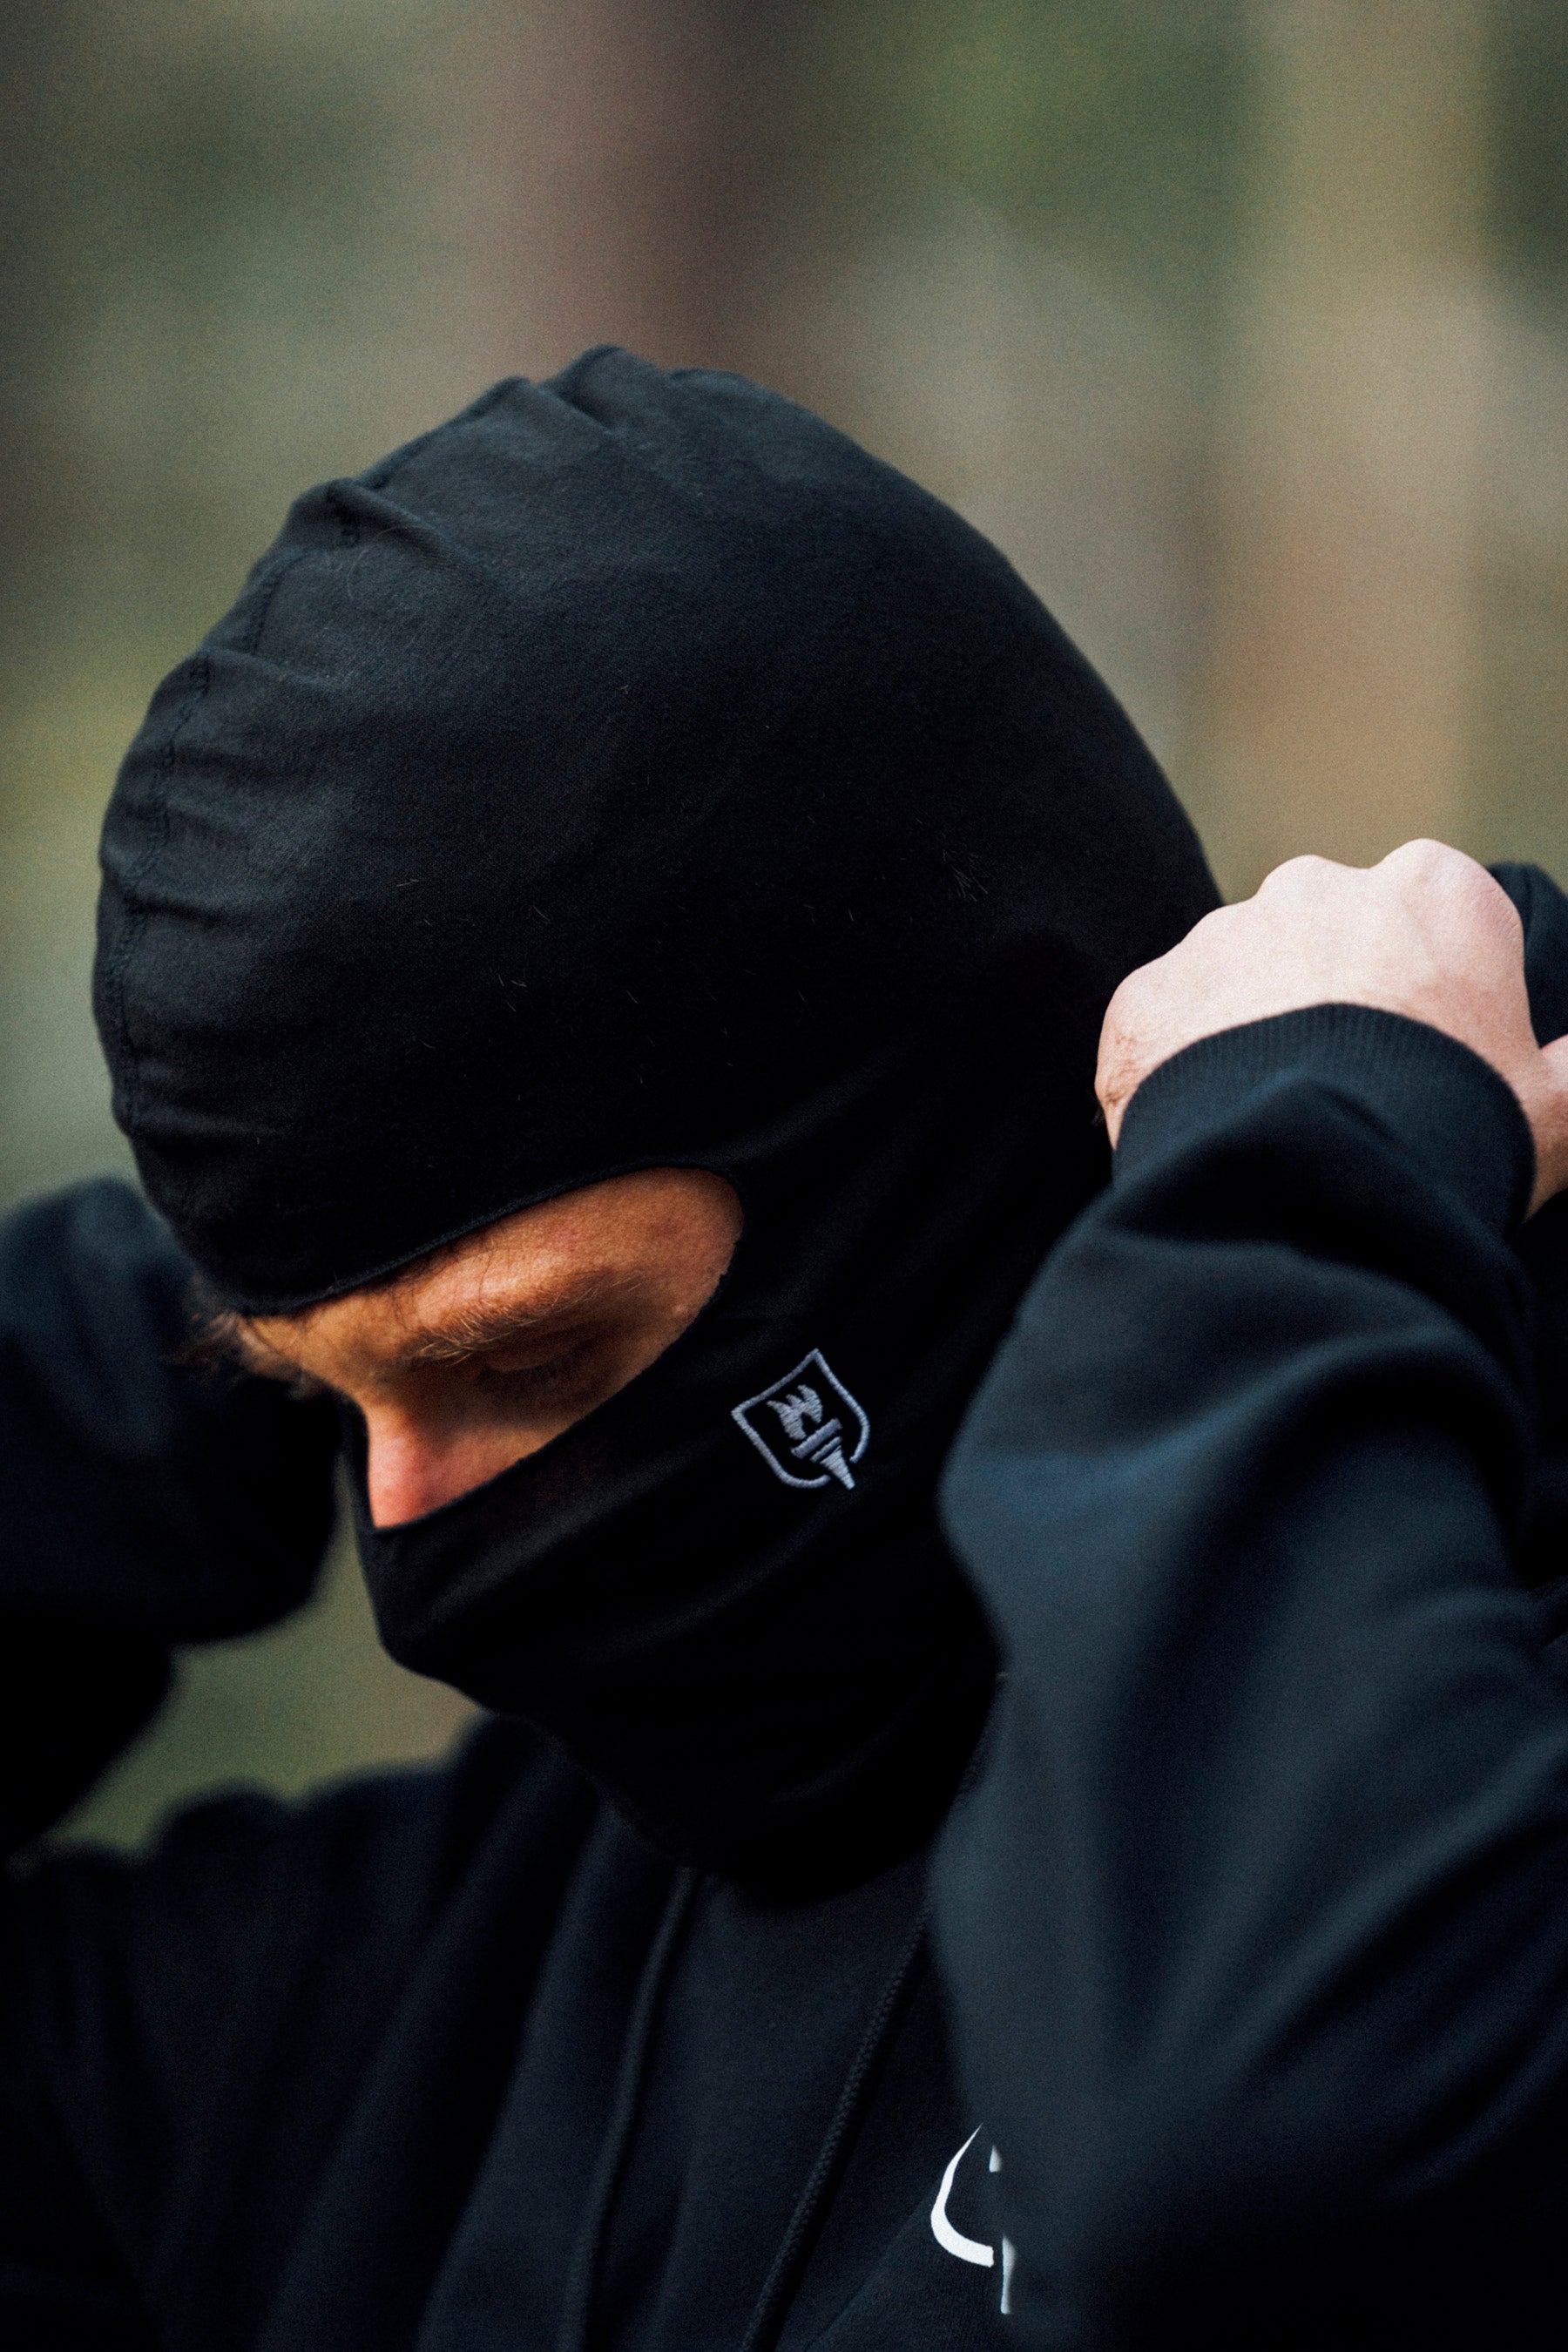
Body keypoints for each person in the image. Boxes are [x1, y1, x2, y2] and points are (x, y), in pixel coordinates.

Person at [3, 349, 1567, 2349]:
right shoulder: (364, 2022)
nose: (413, 1548)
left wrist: (1296, 1200)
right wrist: (166, 1344)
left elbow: (1278, 2186)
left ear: (965, 1102)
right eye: (327, 1402)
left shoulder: (1491, 1748)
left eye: (529, 1358)